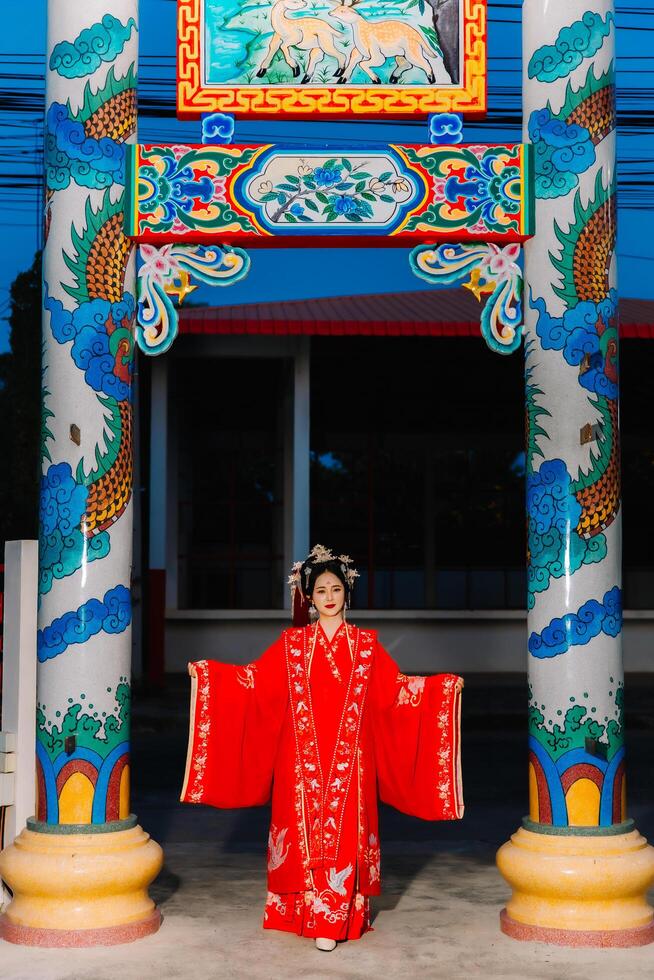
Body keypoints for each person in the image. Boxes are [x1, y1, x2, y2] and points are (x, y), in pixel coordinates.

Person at [181, 545, 464, 951]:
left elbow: (398, 691)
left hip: (352, 758)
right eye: (319, 591)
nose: (329, 597)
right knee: (301, 834)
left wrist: (441, 687)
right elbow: (254, 682)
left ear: (347, 592)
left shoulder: (366, 646)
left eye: (335, 589)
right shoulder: (292, 645)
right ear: (308, 598)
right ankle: (301, 912)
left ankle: (332, 919)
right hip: (300, 760)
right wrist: (211, 676)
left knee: (346, 831)